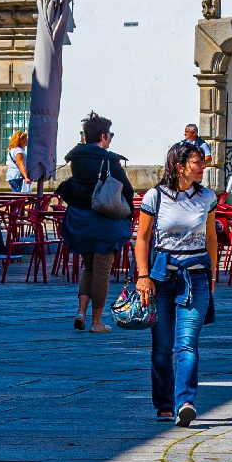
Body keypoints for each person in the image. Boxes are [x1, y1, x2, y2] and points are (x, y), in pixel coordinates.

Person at [132, 139, 218, 424]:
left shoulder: (207, 197)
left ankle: (185, 402)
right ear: (179, 166)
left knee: (187, 344)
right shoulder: (155, 197)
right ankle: (165, 402)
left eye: (203, 162)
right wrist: (143, 276)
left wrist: (213, 274)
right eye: (197, 162)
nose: (202, 167)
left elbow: (210, 238)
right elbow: (142, 239)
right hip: (162, 279)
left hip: (196, 278)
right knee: (162, 347)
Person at [61, 114, 135, 332]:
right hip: (104, 223)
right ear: (103, 136)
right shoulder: (109, 160)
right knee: (102, 272)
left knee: (89, 268)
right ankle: (96, 322)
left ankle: (81, 312)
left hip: (80, 221)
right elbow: (127, 189)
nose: (110, 139)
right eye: (110, 135)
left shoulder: (77, 159)